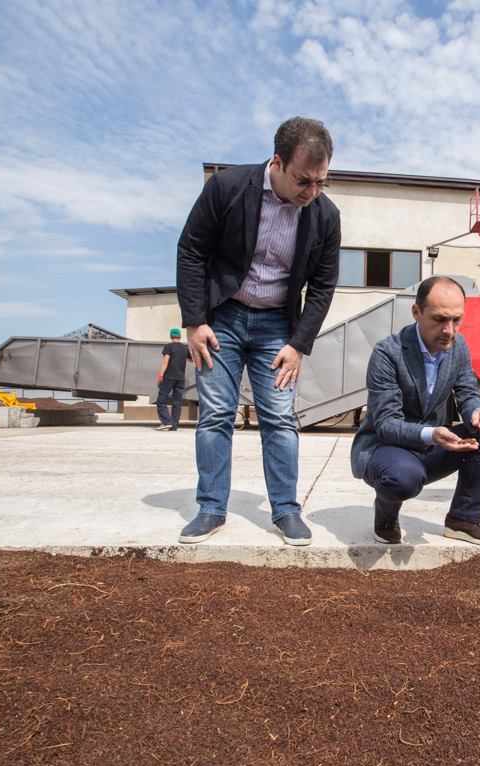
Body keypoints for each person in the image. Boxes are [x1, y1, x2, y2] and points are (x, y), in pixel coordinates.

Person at [176, 117, 341, 546]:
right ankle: (211, 508)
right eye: (303, 181)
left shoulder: (325, 215)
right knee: (216, 414)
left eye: (321, 182)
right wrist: (194, 321)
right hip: (222, 319)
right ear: (277, 162)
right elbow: (192, 251)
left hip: (277, 328)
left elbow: (323, 285)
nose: (312, 191)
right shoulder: (228, 188)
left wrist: (298, 344)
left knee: (280, 419)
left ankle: (286, 510)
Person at [350, 277, 480, 547]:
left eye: (456, 320)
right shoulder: (388, 353)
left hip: (432, 444)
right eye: (439, 319)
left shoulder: (458, 346)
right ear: (416, 312)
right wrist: (432, 434)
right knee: (401, 479)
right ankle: (386, 515)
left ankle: (463, 519)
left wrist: (478, 412)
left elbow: (467, 393)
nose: (449, 330)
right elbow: (386, 423)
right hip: (385, 447)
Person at [155, 328, 189, 431]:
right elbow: (192, 359)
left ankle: (166, 421)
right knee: (177, 402)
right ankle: (174, 425)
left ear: (171, 336)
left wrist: (160, 376)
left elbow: (165, 362)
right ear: (180, 336)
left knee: (161, 400)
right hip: (181, 379)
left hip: (169, 377)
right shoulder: (185, 348)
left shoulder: (169, 346)